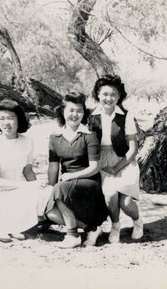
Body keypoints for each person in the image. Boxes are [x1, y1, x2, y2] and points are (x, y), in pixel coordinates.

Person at [44, 92, 108, 248]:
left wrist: (70, 177)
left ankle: (72, 235)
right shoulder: (54, 137)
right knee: (49, 212)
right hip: (66, 184)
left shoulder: (89, 135)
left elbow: (94, 168)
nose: (75, 114)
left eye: (79, 111)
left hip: (89, 183)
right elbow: (53, 166)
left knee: (59, 189)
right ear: (62, 112)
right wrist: (49, 186)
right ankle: (91, 229)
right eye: (71, 110)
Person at [0, 99, 51, 243]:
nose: (6, 123)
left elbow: (27, 171)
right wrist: (27, 186)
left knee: (47, 191)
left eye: (10, 118)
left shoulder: (27, 141)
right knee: (14, 195)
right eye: (2, 118)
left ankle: (19, 226)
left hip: (20, 185)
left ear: (19, 120)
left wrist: (36, 185)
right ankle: (2, 228)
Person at [88, 74, 144, 243]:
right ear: (98, 94)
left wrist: (116, 168)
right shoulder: (90, 116)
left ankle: (138, 222)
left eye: (113, 94)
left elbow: (133, 149)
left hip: (124, 160)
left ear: (119, 96)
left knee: (126, 203)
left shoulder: (126, 116)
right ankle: (116, 226)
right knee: (110, 194)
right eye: (105, 94)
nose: (108, 98)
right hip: (102, 160)